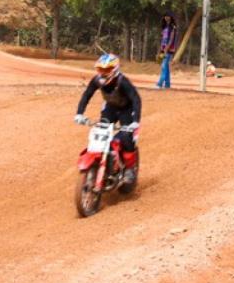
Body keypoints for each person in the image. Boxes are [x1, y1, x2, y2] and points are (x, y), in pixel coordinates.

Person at [75, 53, 142, 185]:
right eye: (101, 70)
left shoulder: (123, 82)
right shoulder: (96, 80)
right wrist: (79, 114)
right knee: (101, 132)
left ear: (115, 69)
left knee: (127, 136)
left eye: (107, 70)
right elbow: (87, 95)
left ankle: (129, 169)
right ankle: (103, 161)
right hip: (110, 108)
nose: (103, 73)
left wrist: (135, 121)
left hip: (126, 109)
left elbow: (136, 99)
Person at [156, 14, 178, 89]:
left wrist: (166, 49)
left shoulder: (173, 27)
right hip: (163, 49)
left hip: (169, 50)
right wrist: (160, 51)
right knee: (165, 66)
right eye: (165, 16)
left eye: (168, 16)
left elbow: (171, 39)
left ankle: (160, 83)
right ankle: (167, 84)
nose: (166, 17)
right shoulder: (164, 27)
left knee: (163, 66)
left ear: (171, 17)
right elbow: (162, 40)